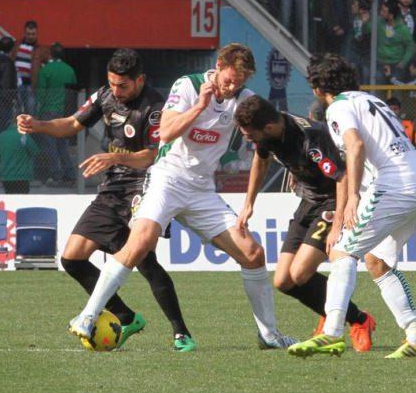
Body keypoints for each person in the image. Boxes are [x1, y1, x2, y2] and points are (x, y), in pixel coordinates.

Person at [67, 43, 296, 350]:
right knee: (140, 243)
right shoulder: (187, 85)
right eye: (229, 80)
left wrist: (252, 201)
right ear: (218, 66)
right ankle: (88, 316)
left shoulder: (245, 99)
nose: (232, 88)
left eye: (239, 83)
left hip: (202, 191)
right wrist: (199, 106)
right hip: (167, 179)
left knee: (253, 254)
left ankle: (269, 335)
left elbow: (266, 143)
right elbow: (166, 132)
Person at [17, 49, 196, 351]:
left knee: (145, 261)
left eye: (122, 85)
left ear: (140, 80)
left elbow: (152, 155)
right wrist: (38, 124)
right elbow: (72, 124)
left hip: (146, 186)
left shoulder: (155, 108)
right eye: (112, 83)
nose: (116, 90)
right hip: (113, 188)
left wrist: (114, 157)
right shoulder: (104, 96)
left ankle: (181, 333)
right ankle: (126, 317)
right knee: (72, 259)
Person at [289, 54, 416, 359]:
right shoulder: (372, 100)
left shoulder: (339, 106)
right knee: (376, 262)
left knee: (342, 251)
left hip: (394, 187)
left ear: (318, 88)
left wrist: (353, 195)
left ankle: (332, 332)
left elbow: (355, 145)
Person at [234, 95, 377, 353]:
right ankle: (331, 310)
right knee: (283, 281)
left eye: (251, 136)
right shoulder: (268, 135)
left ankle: (359, 320)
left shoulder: (311, 138)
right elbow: (261, 160)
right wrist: (248, 204)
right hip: (307, 203)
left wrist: (338, 224)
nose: (249, 140)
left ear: (268, 127)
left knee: (300, 274)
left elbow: (342, 177)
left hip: (331, 202)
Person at [35, 42, 76, 186]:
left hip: (48, 111)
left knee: (50, 145)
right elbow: (73, 91)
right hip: (64, 112)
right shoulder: (69, 70)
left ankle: (56, 175)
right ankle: (69, 174)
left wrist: (38, 113)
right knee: (62, 145)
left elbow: (40, 94)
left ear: (50, 54)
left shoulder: (45, 70)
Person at [0, 36, 18, 182]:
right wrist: (10, 101)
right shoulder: (6, 62)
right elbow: (5, 85)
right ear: (12, 48)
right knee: (1, 138)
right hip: (2, 105)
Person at [11, 20, 48, 114]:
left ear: (37, 33)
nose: (31, 36)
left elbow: (47, 64)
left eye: (33, 34)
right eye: (28, 34)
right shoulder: (16, 45)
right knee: (17, 112)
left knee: (31, 112)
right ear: (24, 33)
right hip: (17, 84)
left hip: (31, 86)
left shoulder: (41, 49)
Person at [0, 122, 39, 194]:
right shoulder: (23, 135)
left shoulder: (1, 136)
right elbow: (35, 151)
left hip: (6, 175)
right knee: (22, 198)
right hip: (22, 176)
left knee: (10, 198)